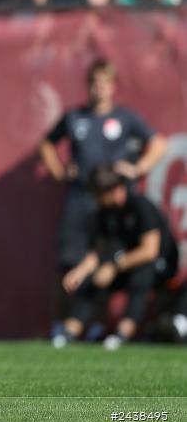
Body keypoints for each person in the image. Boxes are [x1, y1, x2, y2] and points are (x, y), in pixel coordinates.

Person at [39, 60, 167, 319]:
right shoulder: (76, 117)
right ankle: (63, 326)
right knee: (70, 261)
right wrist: (61, 172)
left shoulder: (125, 118)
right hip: (81, 199)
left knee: (107, 260)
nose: (100, 89)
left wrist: (138, 167)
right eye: (95, 83)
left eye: (105, 83)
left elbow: (159, 143)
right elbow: (47, 144)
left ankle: (96, 325)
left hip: (113, 206)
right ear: (89, 86)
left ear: (113, 87)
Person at [55, 164, 180, 350]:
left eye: (99, 195)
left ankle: (122, 334)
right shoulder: (103, 214)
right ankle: (69, 332)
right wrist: (80, 272)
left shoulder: (140, 206)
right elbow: (97, 252)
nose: (96, 200)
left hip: (160, 266)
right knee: (94, 280)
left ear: (114, 190)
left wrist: (113, 267)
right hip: (124, 264)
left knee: (141, 276)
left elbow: (149, 251)